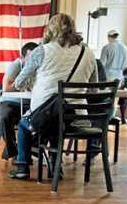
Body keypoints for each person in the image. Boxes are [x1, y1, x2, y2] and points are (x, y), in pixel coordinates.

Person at [9, 14, 98, 180]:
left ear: (50, 29)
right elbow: (93, 87)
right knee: (58, 121)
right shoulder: (88, 52)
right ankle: (56, 166)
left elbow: (19, 82)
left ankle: (22, 167)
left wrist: (35, 82)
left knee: (24, 124)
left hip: (45, 117)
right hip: (76, 117)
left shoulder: (41, 50)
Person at [0, 42, 38, 160]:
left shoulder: (40, 67)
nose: (33, 62)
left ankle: (25, 148)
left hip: (30, 103)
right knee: (3, 118)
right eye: (30, 58)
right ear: (22, 58)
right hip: (11, 102)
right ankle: (12, 149)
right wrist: (22, 81)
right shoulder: (15, 66)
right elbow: (6, 88)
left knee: (44, 118)